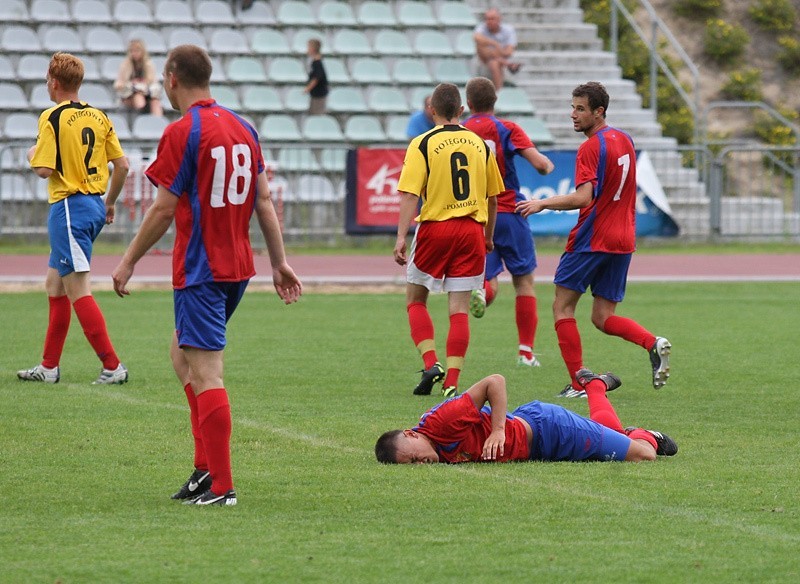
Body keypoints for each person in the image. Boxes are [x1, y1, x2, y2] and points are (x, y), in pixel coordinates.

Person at [111, 45, 303, 506]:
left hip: (200, 268)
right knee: (182, 355)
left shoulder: (182, 131)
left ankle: (222, 486)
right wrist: (277, 262)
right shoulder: (244, 127)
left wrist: (128, 259)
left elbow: (163, 207)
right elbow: (262, 201)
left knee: (206, 370)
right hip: (237, 267)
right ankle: (204, 470)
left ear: (172, 79)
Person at [516, 82, 671, 398]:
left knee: (562, 307)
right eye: (573, 107)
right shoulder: (625, 140)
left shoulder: (590, 146)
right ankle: (652, 343)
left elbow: (583, 198)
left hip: (592, 237)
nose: (573, 115)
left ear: (599, 111)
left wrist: (543, 202)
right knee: (602, 317)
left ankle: (578, 383)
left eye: (580, 109)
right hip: (623, 239)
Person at [17, 52, 130, 386]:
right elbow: (121, 165)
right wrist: (109, 203)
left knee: (77, 288)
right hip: (93, 204)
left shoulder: (51, 116)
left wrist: (30, 154)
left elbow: (43, 169)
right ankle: (49, 367)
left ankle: (113, 366)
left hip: (68, 208)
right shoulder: (99, 116)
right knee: (55, 285)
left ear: (53, 82)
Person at [394, 83, 504, 398]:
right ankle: (453, 381)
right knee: (458, 309)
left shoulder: (422, 143)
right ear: (461, 110)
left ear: (432, 111)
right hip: (471, 229)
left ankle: (431, 363)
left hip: (435, 228)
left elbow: (410, 193)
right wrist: (488, 237)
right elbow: (493, 197)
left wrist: (401, 236)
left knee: (415, 299)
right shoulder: (480, 144)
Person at [375, 369, 678, 464]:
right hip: (536, 445)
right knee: (605, 434)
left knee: (643, 455)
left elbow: (495, 381)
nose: (420, 464)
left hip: (549, 429)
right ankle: (596, 386)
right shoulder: (435, 448)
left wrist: (497, 432)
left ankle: (648, 434)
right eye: (411, 466)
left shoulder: (441, 423)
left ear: (411, 434)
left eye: (413, 457)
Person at [463, 77, 554, 367]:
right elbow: (540, 165)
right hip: (509, 211)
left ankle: (482, 293)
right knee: (524, 282)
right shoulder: (507, 129)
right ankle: (526, 352)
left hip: (477, 215)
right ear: (494, 102)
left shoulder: (460, 132)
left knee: (488, 279)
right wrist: (548, 166)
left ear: (469, 104)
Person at [473, 8, 521, 90]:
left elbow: (509, 52)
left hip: (496, 62)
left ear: (499, 20)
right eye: (487, 19)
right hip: (483, 60)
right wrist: (495, 44)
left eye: (492, 19)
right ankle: (507, 65)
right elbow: (476, 38)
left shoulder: (508, 30)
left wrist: (496, 51)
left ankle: (498, 91)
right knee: (480, 47)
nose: (489, 21)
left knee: (494, 63)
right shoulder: (481, 28)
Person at [114, 39, 164, 117]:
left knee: (155, 102)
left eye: (137, 50)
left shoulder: (148, 65)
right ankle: (141, 120)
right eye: (132, 51)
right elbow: (119, 84)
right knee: (138, 97)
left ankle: (158, 123)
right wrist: (132, 85)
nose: (134, 53)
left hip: (147, 93)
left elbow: (152, 82)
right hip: (128, 95)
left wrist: (143, 84)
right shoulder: (125, 65)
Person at [303, 38, 329, 115]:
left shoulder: (317, 63)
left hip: (319, 94)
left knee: (316, 113)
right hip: (316, 94)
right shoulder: (315, 62)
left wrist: (308, 88)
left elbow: (317, 78)